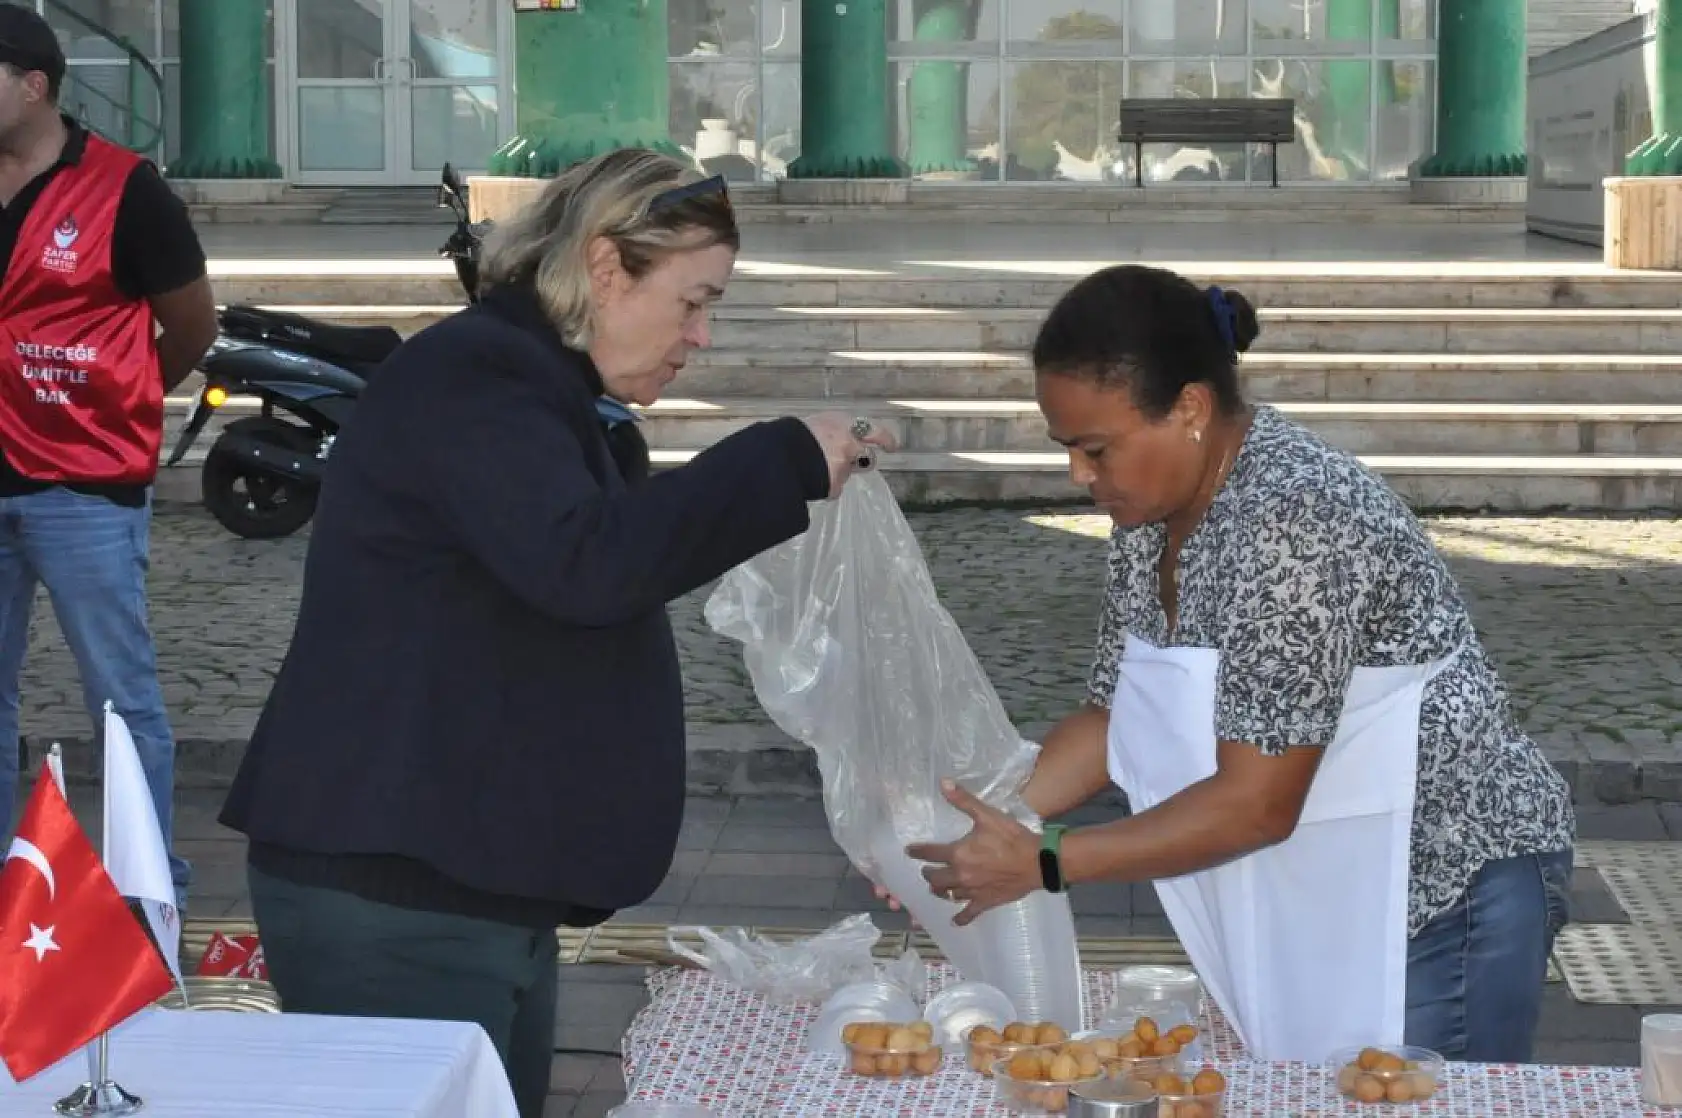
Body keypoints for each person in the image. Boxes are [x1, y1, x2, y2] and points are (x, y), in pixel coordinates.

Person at [217, 148, 894, 1118]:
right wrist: (778, 457)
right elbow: (587, 560)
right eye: (691, 301)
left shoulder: (541, 385)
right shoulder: (479, 376)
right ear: (608, 266)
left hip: (466, 881)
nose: (700, 335)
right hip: (398, 893)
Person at [890, 264, 1576, 1065]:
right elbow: (1116, 719)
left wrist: (1044, 860)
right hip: (1331, 888)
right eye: (1069, 450)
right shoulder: (1153, 510)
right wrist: (967, 831)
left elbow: (1257, 804)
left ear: (1190, 408)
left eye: (1095, 448)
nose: (1080, 476)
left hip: (1447, 889)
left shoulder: (1295, 518)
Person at [0, 3, 215, 910]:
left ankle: (144, 884)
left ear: (32, 84)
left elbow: (191, 323)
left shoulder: (128, 190)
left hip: (82, 488)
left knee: (122, 702)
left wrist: (117, 399)